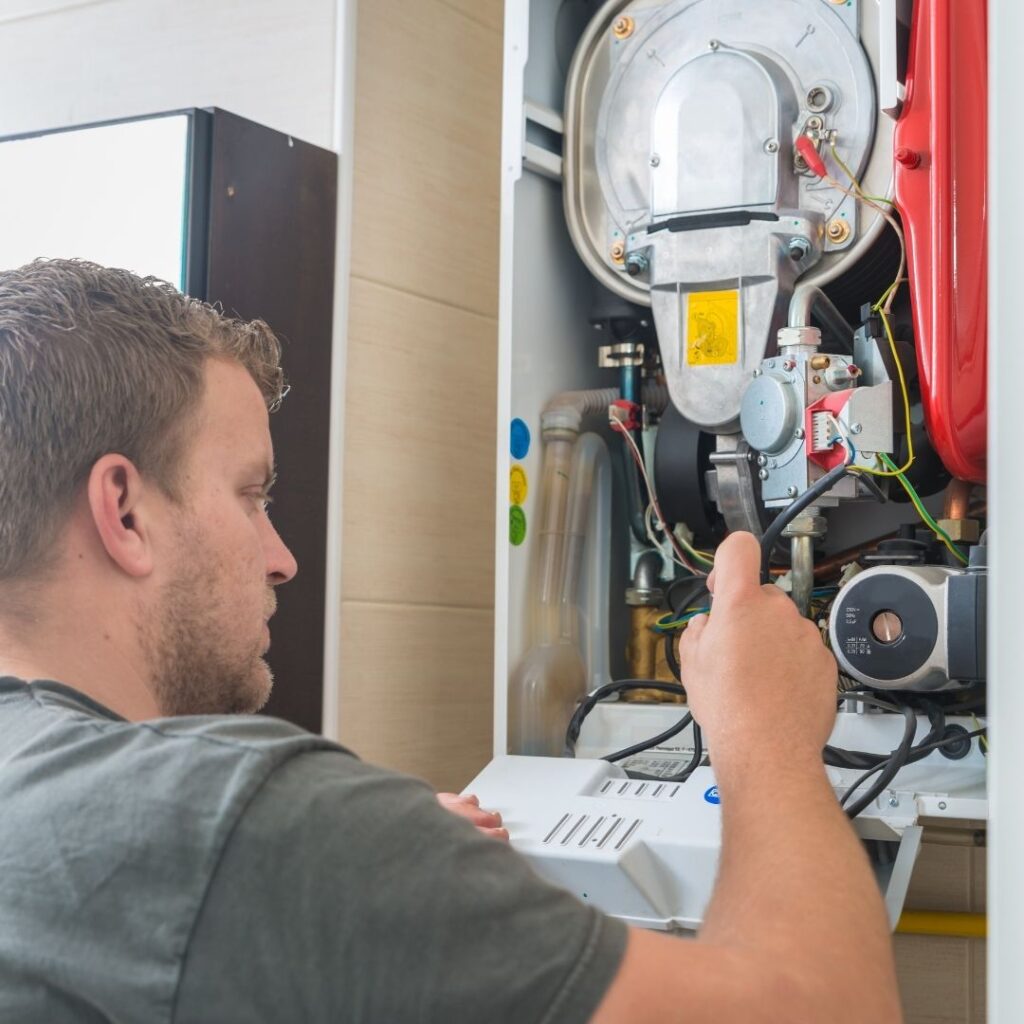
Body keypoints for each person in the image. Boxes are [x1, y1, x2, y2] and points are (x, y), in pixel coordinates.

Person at [0, 259, 902, 1023]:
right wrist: (765, 735)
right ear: (124, 511)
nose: (282, 559)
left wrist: (377, 874)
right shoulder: (237, 826)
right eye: (251, 495)